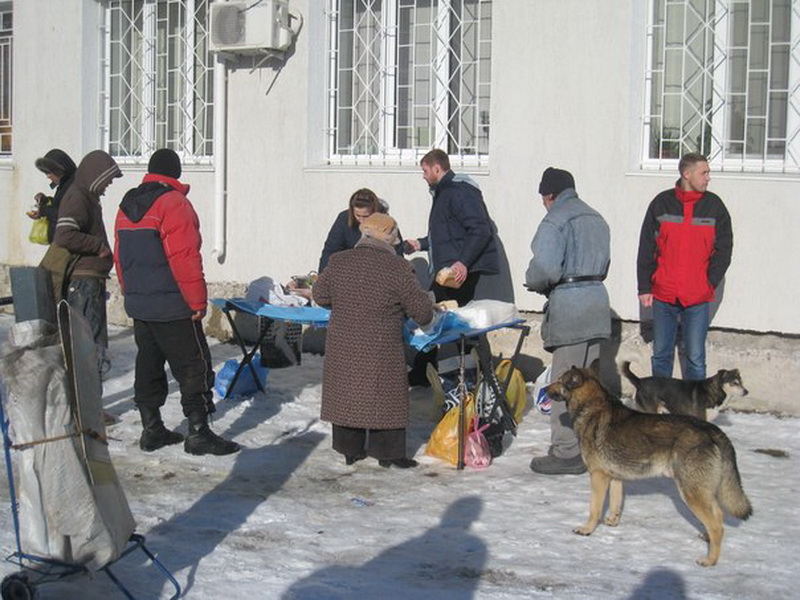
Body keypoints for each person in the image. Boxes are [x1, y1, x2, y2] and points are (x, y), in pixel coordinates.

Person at [114, 148, 240, 456]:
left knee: (149, 363)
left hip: (141, 304)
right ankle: (198, 431)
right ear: (177, 172)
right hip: (172, 304)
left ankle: (151, 427)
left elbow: (120, 257)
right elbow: (184, 258)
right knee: (192, 365)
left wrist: (129, 291)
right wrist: (197, 301)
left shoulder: (127, 204)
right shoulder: (174, 203)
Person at [313, 212, 434, 469]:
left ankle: (350, 449)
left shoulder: (339, 261)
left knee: (348, 393)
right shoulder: (398, 268)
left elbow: (320, 294)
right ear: (390, 238)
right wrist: (431, 302)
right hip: (381, 347)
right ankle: (388, 454)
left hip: (342, 345)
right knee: (384, 397)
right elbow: (422, 313)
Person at [525, 167, 611, 475]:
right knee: (589, 383)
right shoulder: (595, 217)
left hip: (571, 308)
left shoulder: (555, 220)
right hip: (597, 303)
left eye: (543, 199)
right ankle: (588, 446)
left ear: (549, 195)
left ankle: (565, 452)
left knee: (564, 383)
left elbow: (545, 268)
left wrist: (531, 281)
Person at [403, 148, 499, 386]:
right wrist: (420, 244)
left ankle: (469, 376)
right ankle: (426, 371)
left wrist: (463, 262)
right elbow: (447, 234)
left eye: (425, 170)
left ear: (437, 168)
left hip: (456, 273)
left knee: (452, 322)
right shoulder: (444, 192)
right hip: (449, 270)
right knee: (438, 317)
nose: (423, 176)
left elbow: (480, 229)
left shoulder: (459, 192)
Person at [636, 152, 733, 381]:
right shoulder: (662, 203)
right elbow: (646, 247)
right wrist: (644, 286)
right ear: (686, 174)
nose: (708, 178)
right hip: (664, 294)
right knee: (661, 355)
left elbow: (725, 250)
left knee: (696, 358)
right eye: (704, 173)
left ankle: (694, 413)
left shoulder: (714, 206)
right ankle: (659, 409)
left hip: (697, 297)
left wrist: (707, 283)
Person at [53, 150, 122, 370]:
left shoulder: (86, 197)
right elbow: (64, 235)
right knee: (87, 345)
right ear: (96, 176)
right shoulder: (78, 197)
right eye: (107, 181)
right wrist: (98, 246)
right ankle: (85, 401)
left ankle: (89, 398)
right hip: (83, 283)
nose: (107, 187)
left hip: (90, 282)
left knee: (93, 345)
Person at [317, 188, 402, 273]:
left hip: (378, 271)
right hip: (348, 271)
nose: (361, 220)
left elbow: (398, 253)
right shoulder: (344, 219)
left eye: (366, 216)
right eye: (357, 215)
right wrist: (322, 277)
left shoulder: (385, 222)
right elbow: (330, 250)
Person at [26, 149, 78, 244]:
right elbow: (61, 204)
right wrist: (45, 200)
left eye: (49, 172)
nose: (48, 176)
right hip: (61, 240)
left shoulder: (74, 186)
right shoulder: (65, 183)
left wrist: (43, 211)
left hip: (68, 242)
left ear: (59, 170)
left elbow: (68, 214)